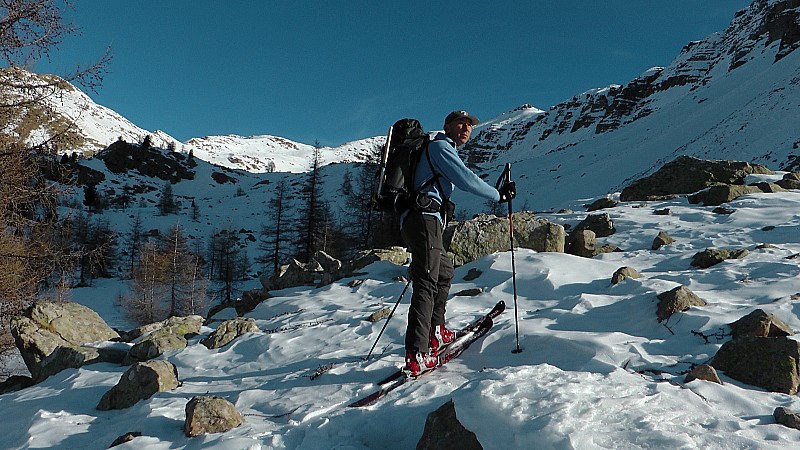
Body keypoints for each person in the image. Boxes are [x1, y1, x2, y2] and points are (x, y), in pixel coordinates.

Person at [402, 110, 516, 376]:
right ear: (447, 126)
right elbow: (466, 180)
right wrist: (498, 195)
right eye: (460, 123)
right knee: (426, 282)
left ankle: (436, 331)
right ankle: (416, 354)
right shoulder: (441, 147)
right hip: (423, 219)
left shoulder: (441, 148)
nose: (466, 128)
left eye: (469, 125)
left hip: (424, 220)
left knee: (444, 271)